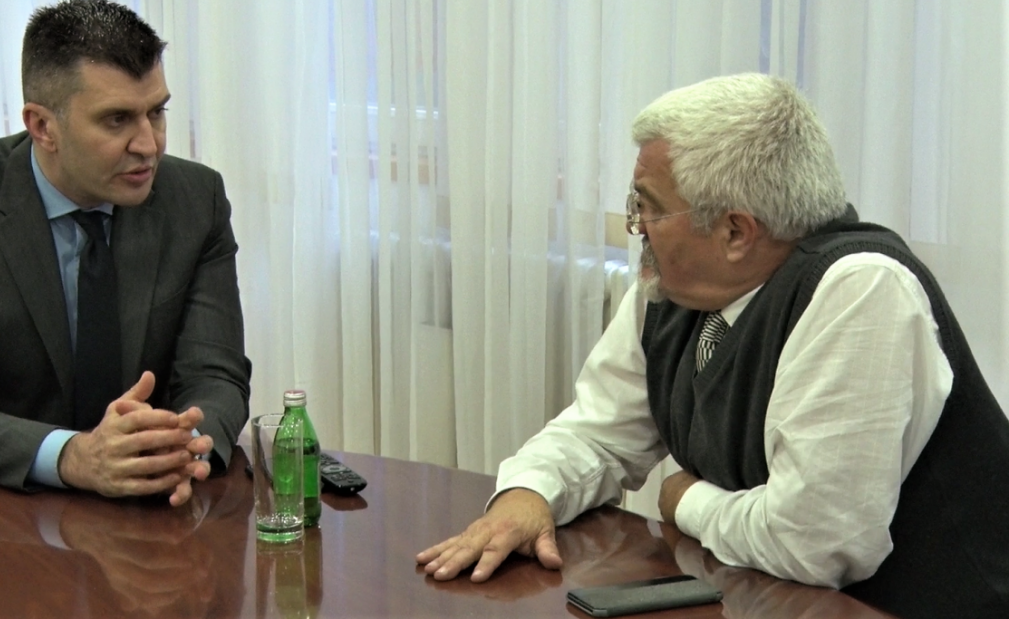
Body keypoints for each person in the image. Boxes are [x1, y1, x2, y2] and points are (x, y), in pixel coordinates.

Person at [417, 73, 1009, 618]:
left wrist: (684, 500)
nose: (635, 226)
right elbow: (598, 434)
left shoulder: (861, 290)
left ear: (734, 231)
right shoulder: (672, 287)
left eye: (648, 207)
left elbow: (815, 542)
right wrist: (528, 495)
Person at [0, 0, 252, 507]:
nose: (148, 144)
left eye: (156, 112)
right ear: (42, 127)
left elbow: (216, 373)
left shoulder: (197, 200)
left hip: (149, 504)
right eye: (116, 119)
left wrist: (184, 445)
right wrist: (76, 456)